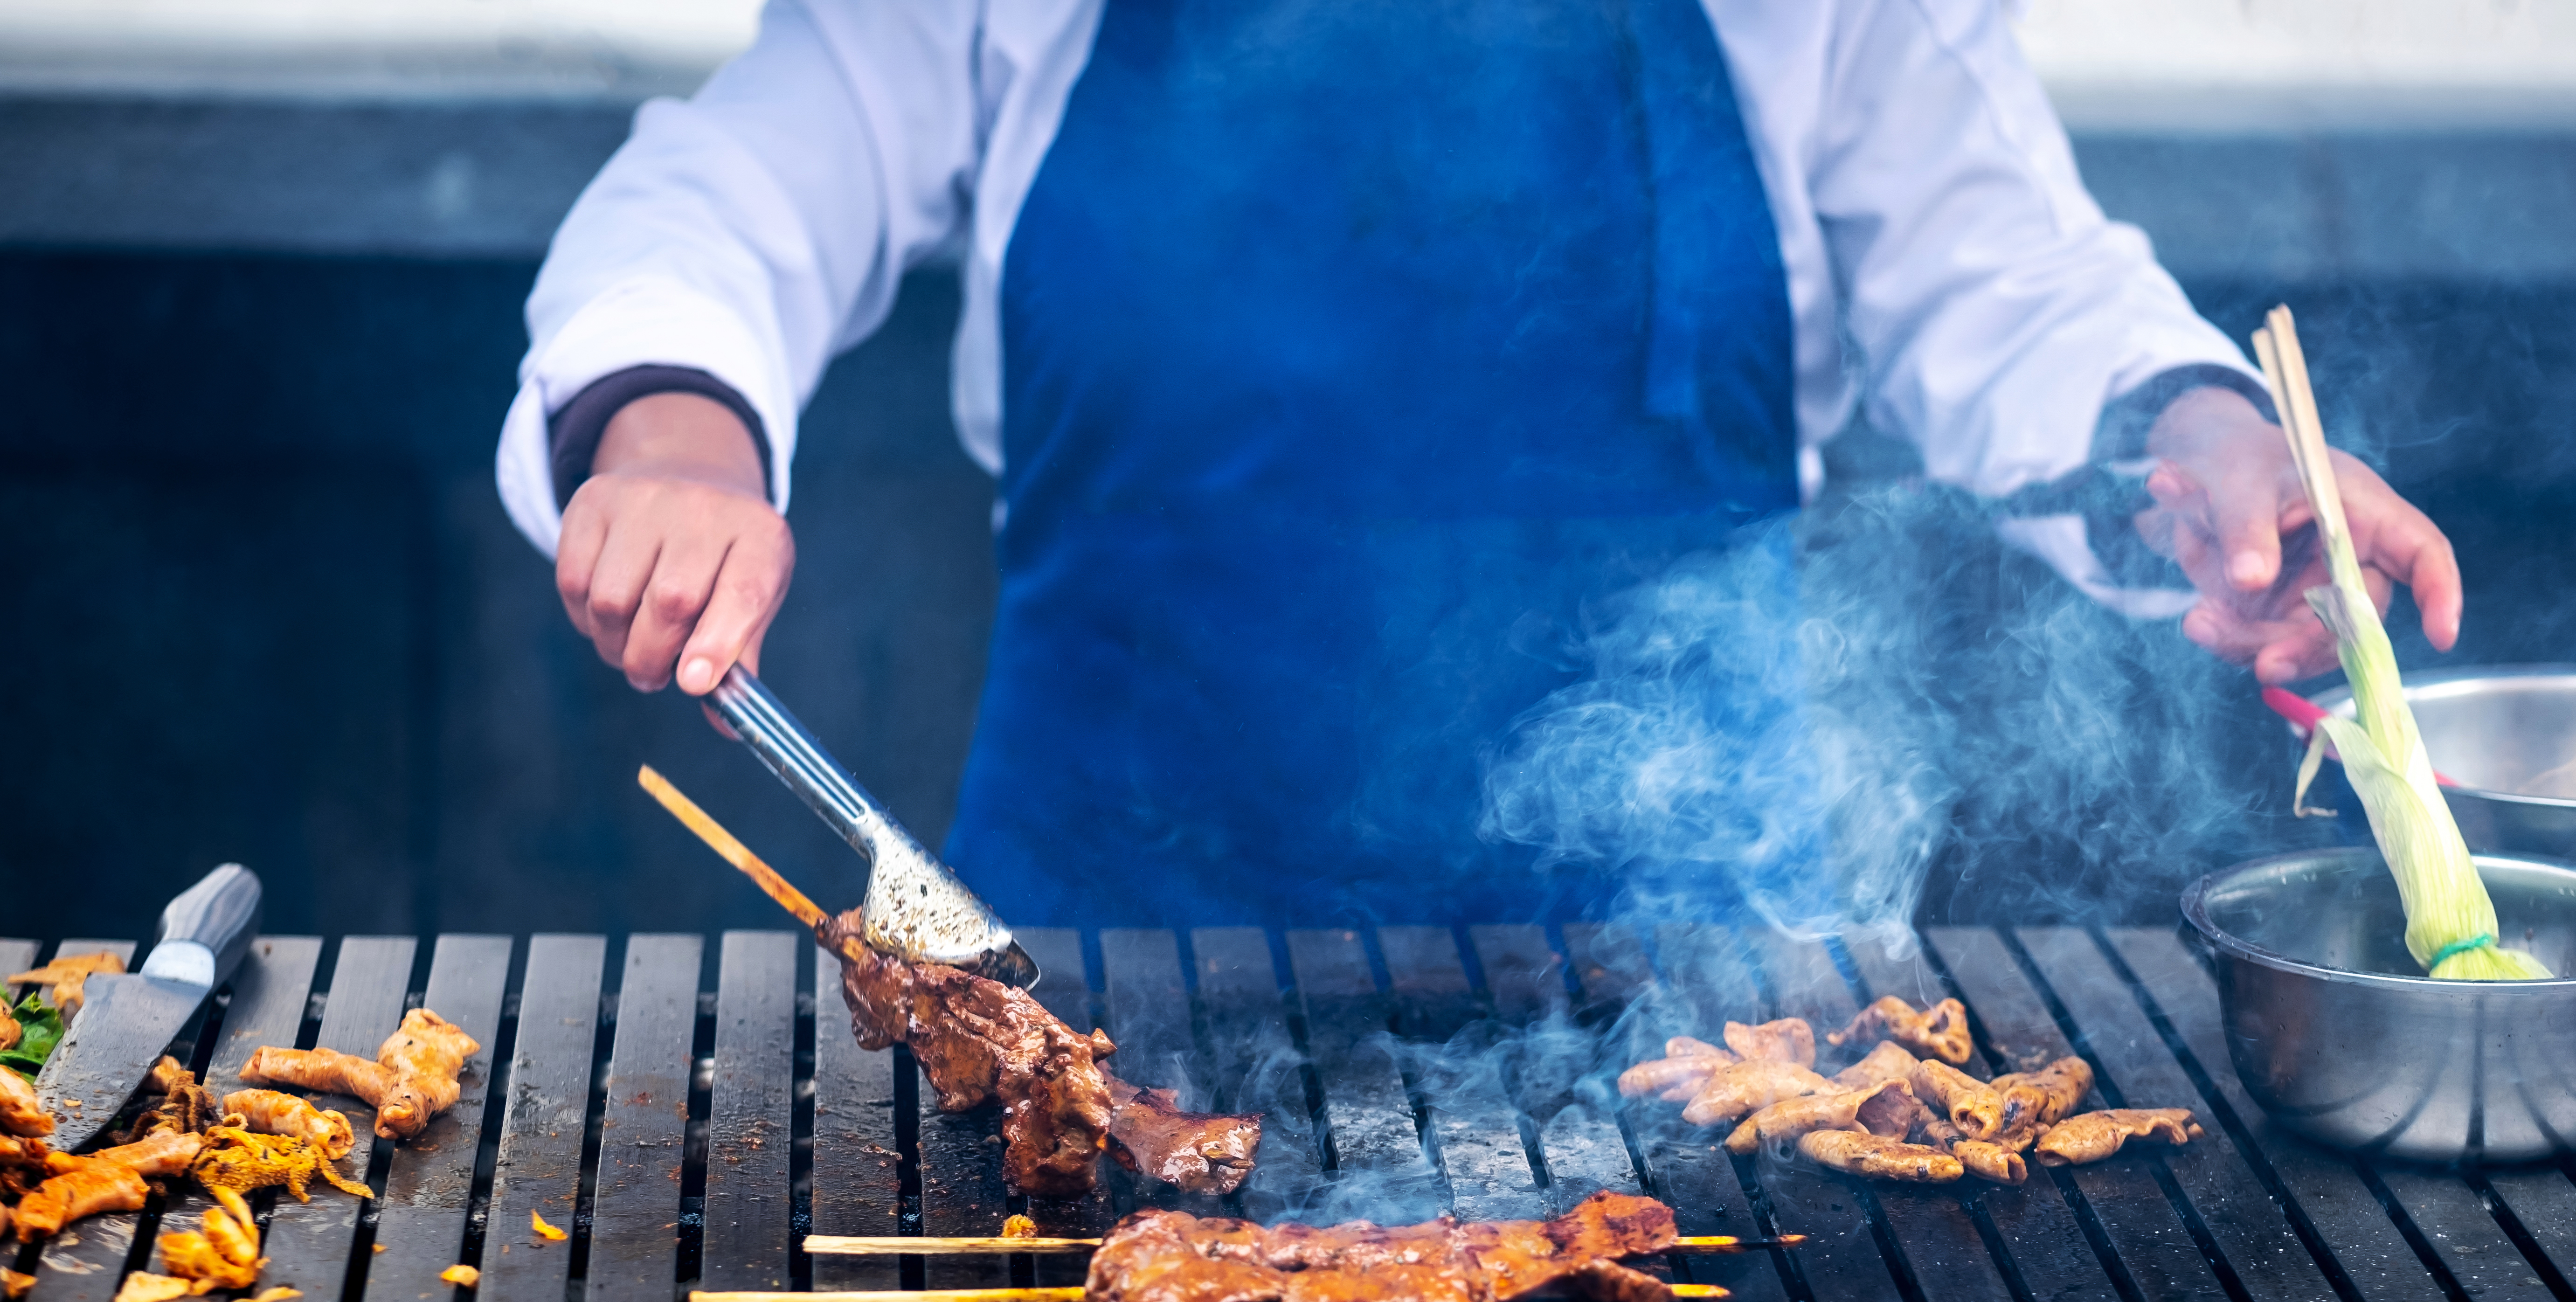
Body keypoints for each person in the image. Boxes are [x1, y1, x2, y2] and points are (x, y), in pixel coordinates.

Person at [495, 0, 2461, 928]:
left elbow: (2013, 277)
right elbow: (736, 184)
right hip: (1117, 916)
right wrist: (668, 436)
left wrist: (2204, 440)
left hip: (1705, 958)